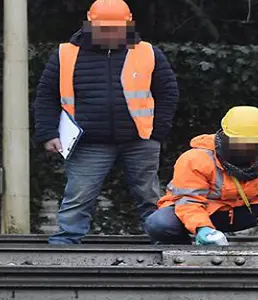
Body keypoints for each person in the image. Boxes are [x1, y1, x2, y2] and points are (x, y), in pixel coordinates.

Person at [33, 0, 180, 244]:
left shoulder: (147, 52)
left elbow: (168, 93)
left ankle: (164, 241)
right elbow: (46, 95)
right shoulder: (65, 54)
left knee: (149, 196)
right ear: (90, 25)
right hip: (88, 141)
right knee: (78, 195)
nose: (111, 34)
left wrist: (157, 131)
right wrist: (48, 133)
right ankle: (65, 244)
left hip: (140, 140)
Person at [144, 106, 258, 246]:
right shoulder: (195, 158)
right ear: (226, 138)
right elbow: (189, 202)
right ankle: (183, 255)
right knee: (160, 223)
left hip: (247, 210)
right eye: (242, 143)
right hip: (207, 212)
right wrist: (203, 229)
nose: (248, 148)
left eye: (254, 143)